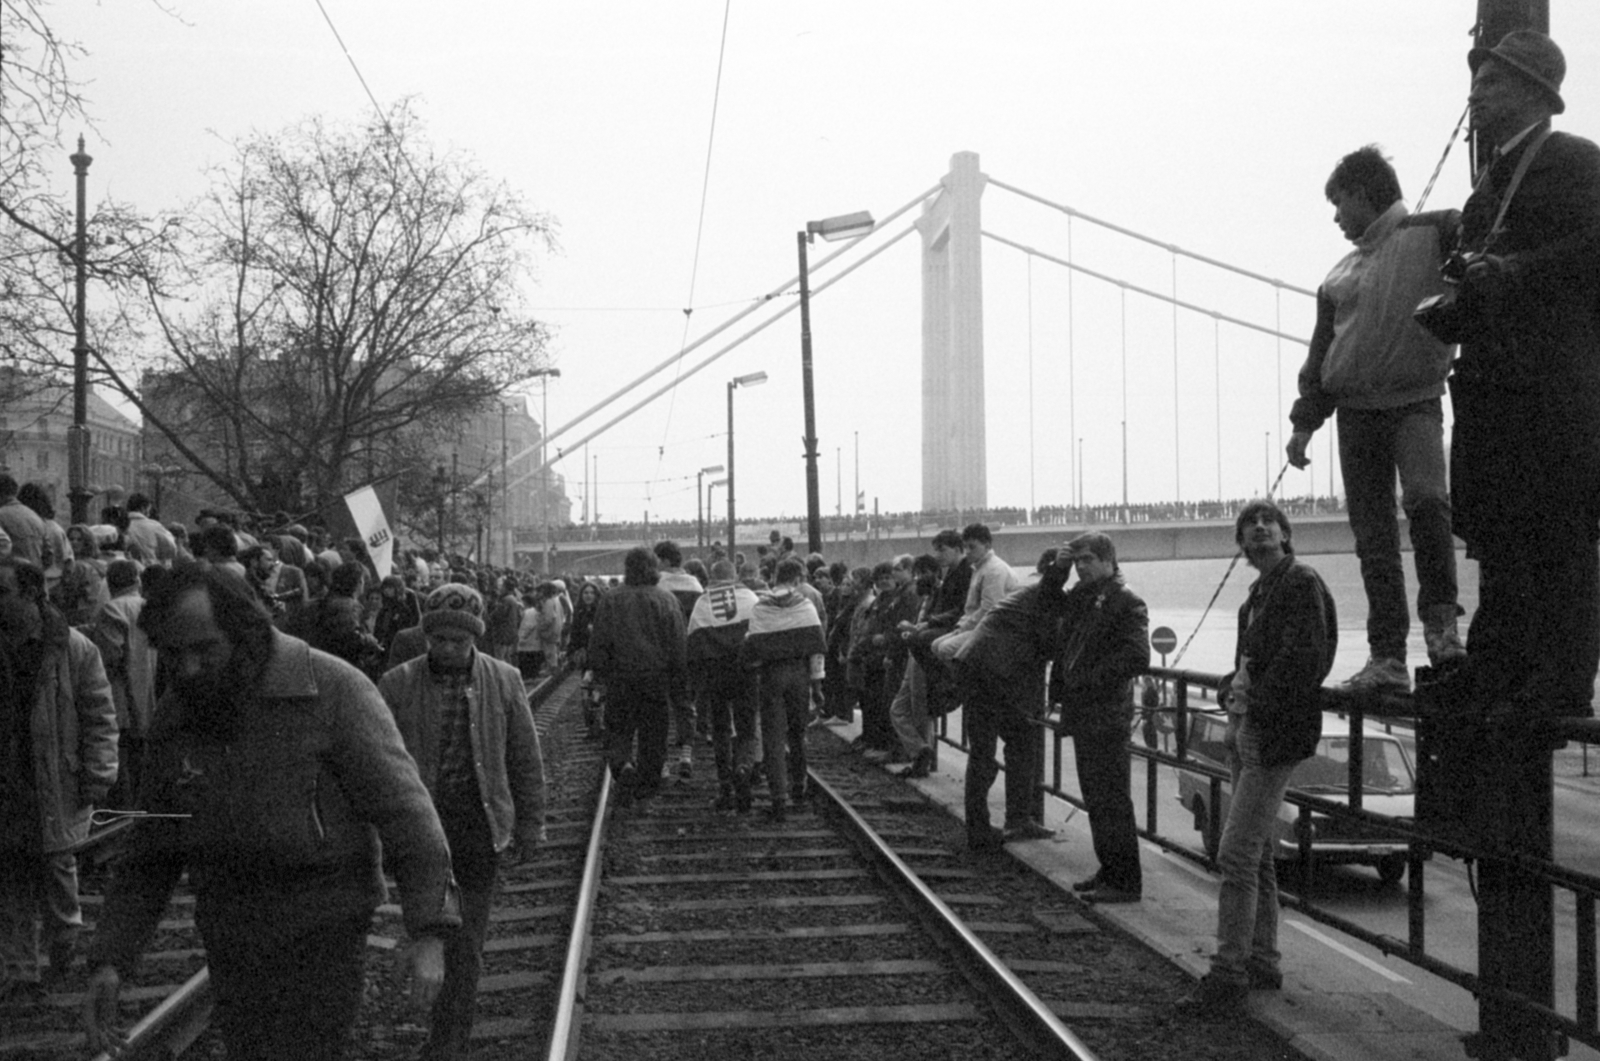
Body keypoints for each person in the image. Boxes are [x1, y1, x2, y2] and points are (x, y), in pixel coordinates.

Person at [82, 564, 459, 1061]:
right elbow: (153, 847)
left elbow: (407, 814)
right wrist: (111, 957)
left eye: (204, 649)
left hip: (323, 923)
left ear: (246, 634)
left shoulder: (332, 688)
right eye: (174, 654)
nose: (189, 668)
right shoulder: (179, 711)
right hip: (230, 926)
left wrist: (428, 931)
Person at [1435, 30, 1600, 721]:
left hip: (1554, 385)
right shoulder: (1490, 180)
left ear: (1536, 92)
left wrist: (1513, 273)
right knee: (1497, 531)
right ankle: (1497, 661)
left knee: (1556, 532)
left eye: (1492, 81)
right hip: (1492, 386)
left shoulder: (1575, 161)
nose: (1475, 92)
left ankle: (1560, 677)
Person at [1287, 145, 1463, 696]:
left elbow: (1476, 274)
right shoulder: (1337, 276)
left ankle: (1441, 632)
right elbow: (1321, 358)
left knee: (1428, 506)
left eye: (1340, 203)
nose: (1336, 217)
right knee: (1373, 537)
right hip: (1355, 414)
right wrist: (1304, 420)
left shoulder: (1439, 230)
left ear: (1364, 194)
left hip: (1416, 400)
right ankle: (1388, 655)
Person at [1178, 500, 1336, 1014]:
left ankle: (1228, 973)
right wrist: (1232, 690)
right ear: (1242, 545)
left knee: (1235, 853)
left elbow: (1306, 658)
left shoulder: (1300, 582)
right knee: (1260, 853)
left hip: (1274, 734)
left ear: (1287, 535)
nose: (1261, 529)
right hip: (1249, 728)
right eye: (1250, 526)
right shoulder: (1256, 596)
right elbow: (1254, 661)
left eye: (1270, 523)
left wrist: (1256, 702)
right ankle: (1263, 960)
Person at [379, 583, 546, 1060]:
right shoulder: (397, 684)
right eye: (439, 640)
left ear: (475, 638)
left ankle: (449, 1043)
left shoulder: (505, 679)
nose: (448, 648)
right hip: (420, 830)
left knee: (466, 943)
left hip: (477, 825)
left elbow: (524, 758)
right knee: (429, 933)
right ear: (426, 635)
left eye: (459, 640)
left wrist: (531, 824)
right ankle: (435, 1021)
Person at [0, 557, 117, 1006]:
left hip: (53, 776)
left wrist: (100, 772)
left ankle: (64, 943)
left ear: (31, 593)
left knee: (56, 866)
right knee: (9, 876)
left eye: (3, 592)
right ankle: (20, 971)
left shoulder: (71, 647)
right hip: (10, 781)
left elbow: (98, 714)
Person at [1050, 532, 1150, 904]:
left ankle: (1125, 881)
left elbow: (1137, 656)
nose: (1080, 566)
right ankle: (1110, 869)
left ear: (1109, 560)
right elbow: (1047, 604)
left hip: (1106, 712)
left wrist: (1087, 680)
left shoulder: (1126, 602)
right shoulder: (1084, 596)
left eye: (1087, 559)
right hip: (1086, 711)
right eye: (1076, 561)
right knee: (1096, 796)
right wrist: (1057, 572)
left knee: (1111, 799)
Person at [956, 549, 1070, 851]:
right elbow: (1051, 646)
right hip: (998, 673)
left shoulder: (1027, 594)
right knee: (1020, 744)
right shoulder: (1047, 594)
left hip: (978, 666)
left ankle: (981, 828)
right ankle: (1017, 819)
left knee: (985, 750)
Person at [587, 547, 687, 805]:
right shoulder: (666, 600)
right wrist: (678, 680)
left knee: (618, 729)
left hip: (620, 678)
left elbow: (599, 641)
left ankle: (623, 767)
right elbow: (678, 644)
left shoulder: (610, 599)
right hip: (656, 679)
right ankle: (646, 787)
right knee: (654, 734)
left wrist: (600, 673)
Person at [743, 558, 826, 822]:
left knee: (773, 738)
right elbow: (815, 650)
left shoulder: (760, 607)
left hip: (771, 676)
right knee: (797, 732)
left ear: (775, 577)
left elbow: (753, 649)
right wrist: (817, 686)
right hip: (799, 676)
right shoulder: (805, 605)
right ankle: (799, 787)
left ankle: (779, 799)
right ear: (798, 578)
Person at [686, 560, 761, 812]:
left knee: (720, 729)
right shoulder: (750, 597)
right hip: (746, 672)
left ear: (712, 578)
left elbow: (693, 643)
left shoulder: (703, 603)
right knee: (747, 727)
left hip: (715, 674)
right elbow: (763, 634)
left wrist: (695, 682)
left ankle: (725, 787)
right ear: (735, 576)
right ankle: (743, 767)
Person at [91, 559, 157, 812]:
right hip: (146, 686)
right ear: (136, 581)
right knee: (140, 754)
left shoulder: (111, 609)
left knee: (122, 755)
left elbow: (110, 656)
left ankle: (123, 811)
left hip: (121, 692)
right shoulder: (146, 606)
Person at [0, 474, 48, 567]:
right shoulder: (35, 516)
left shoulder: (1, 515)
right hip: (35, 575)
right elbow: (48, 555)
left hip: (10, 577)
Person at [121, 493, 178, 567]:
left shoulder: (119, 526)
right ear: (143, 508)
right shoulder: (154, 526)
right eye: (149, 509)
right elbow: (172, 549)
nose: (149, 513)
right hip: (149, 570)